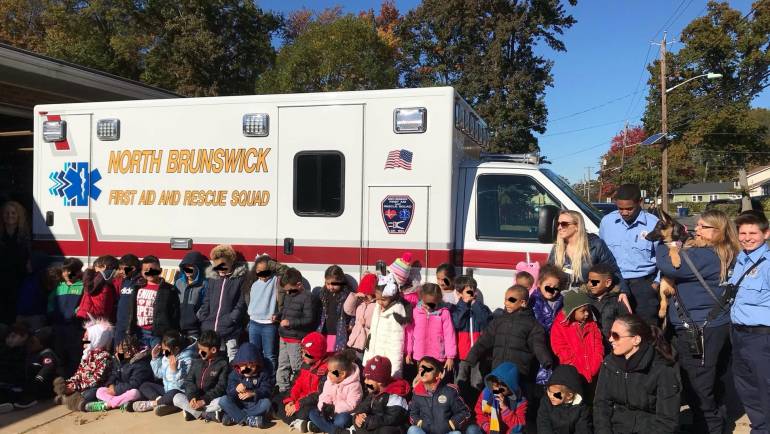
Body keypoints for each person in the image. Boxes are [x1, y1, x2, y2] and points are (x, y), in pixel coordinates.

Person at [655, 209, 738, 434]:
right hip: (715, 325)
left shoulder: (705, 256)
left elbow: (669, 265)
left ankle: (708, 427)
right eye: (697, 225)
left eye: (703, 227)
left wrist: (664, 240)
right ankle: (714, 421)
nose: (696, 230)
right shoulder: (725, 252)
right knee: (713, 379)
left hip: (698, 328)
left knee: (698, 383)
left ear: (719, 231)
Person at [593, 314, 681, 434]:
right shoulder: (609, 364)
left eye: (616, 335)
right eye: (610, 334)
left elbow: (667, 421)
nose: (610, 339)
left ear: (636, 340)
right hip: (616, 428)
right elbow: (601, 405)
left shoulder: (661, 369)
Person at [730, 210, 770, 433]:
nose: (746, 237)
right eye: (742, 232)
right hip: (739, 335)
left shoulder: (768, 263)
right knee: (747, 390)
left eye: (752, 232)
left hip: (762, 338)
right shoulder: (742, 259)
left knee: (766, 391)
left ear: (766, 233)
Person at [599, 184, 658, 324]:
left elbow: (664, 256)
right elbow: (601, 254)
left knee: (646, 329)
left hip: (644, 286)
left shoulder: (654, 224)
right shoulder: (607, 222)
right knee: (615, 328)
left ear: (640, 202)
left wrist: (656, 283)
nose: (625, 212)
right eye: (620, 209)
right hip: (615, 284)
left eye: (629, 208)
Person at [465, 285, 553, 380]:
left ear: (523, 303)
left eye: (511, 300)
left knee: (514, 394)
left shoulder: (532, 324)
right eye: (505, 299)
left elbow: (538, 345)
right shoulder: (499, 321)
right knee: (495, 393)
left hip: (518, 374)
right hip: (497, 371)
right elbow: (484, 340)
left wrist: (546, 361)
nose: (506, 303)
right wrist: (472, 356)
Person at [549, 210, 625, 301]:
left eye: (564, 224)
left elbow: (614, 272)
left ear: (577, 226)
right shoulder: (557, 248)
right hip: (561, 301)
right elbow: (548, 276)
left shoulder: (596, 245)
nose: (559, 227)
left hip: (589, 300)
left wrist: (623, 292)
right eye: (558, 224)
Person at [198, 244, 248, 361]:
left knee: (232, 352)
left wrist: (232, 318)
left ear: (231, 263)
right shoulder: (213, 279)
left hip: (230, 326)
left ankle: (232, 377)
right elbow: (207, 300)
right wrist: (204, 317)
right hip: (211, 325)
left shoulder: (239, 280)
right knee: (215, 355)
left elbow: (241, 302)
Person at [52, 317, 114, 411]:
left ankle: (79, 403)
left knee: (88, 394)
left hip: (95, 387)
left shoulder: (104, 357)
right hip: (82, 386)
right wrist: (71, 383)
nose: (83, 339)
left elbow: (95, 380)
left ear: (96, 339)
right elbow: (79, 373)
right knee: (64, 385)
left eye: (86, 338)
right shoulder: (87, 355)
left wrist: (76, 387)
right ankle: (69, 397)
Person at [408, 356, 478, 434]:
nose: (423, 371)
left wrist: (451, 424)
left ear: (439, 375)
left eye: (428, 369)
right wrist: (420, 423)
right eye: (421, 369)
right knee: (413, 430)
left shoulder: (450, 391)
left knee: (456, 433)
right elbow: (413, 414)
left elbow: (465, 412)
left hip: (446, 431)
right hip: (426, 431)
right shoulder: (417, 393)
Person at [133, 330, 196, 415]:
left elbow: (182, 385)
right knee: (145, 385)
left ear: (176, 349)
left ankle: (153, 404)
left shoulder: (187, 360)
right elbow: (159, 374)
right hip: (167, 390)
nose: (163, 352)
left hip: (180, 392)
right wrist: (155, 359)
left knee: (173, 393)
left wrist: (174, 371)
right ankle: (164, 402)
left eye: (165, 350)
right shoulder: (167, 356)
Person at [276, 267, 319, 393]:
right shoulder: (290, 295)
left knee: (297, 366)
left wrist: (290, 323)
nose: (288, 293)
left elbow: (309, 320)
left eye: (289, 290)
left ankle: (300, 389)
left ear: (299, 285)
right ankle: (282, 388)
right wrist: (278, 316)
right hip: (284, 336)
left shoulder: (308, 298)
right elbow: (285, 310)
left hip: (295, 338)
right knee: (283, 364)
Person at [86, 334, 153, 412]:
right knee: (100, 391)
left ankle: (107, 405)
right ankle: (120, 403)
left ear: (133, 349)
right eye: (119, 349)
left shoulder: (141, 363)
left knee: (134, 393)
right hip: (120, 392)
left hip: (135, 391)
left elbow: (135, 384)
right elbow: (113, 374)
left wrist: (116, 390)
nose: (119, 352)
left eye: (123, 349)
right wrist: (110, 384)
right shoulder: (120, 360)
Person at [172, 329, 229, 420]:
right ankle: (206, 414)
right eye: (199, 349)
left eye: (202, 350)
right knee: (176, 398)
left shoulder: (223, 364)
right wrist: (192, 397)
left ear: (213, 350)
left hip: (211, 399)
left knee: (221, 402)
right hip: (196, 398)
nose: (199, 352)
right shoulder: (197, 361)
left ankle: (195, 412)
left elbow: (221, 387)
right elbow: (189, 381)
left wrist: (204, 401)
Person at [549, 290, 604, 384]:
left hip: (594, 370)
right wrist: (573, 366)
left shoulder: (591, 323)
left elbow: (598, 343)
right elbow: (560, 348)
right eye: (583, 311)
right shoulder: (560, 325)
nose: (587, 313)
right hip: (574, 373)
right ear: (572, 311)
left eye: (588, 310)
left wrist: (597, 361)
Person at [451, 275, 492, 401]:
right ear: (459, 293)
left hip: (478, 354)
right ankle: (460, 406)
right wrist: (464, 304)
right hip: (462, 354)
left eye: (473, 290)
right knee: (460, 381)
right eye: (468, 291)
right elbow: (456, 323)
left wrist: (475, 305)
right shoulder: (456, 309)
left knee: (477, 382)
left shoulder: (481, 308)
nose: (471, 294)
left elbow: (486, 322)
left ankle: (475, 408)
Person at [0, 324, 57, 411]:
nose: (9, 340)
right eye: (7, 337)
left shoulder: (44, 352)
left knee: (33, 372)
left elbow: (48, 367)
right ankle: (5, 402)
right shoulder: (23, 352)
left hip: (42, 387)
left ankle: (29, 399)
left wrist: (38, 379)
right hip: (24, 385)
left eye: (13, 336)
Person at [217, 342, 274, 427]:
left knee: (266, 403)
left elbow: (266, 390)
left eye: (252, 366)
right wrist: (236, 389)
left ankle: (235, 417)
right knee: (223, 400)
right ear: (239, 365)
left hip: (254, 405)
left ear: (257, 364)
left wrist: (253, 393)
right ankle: (249, 420)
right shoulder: (234, 374)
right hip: (239, 405)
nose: (248, 369)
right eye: (244, 365)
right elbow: (229, 392)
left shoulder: (262, 373)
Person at [280, 332, 329, 430]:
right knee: (278, 403)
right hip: (300, 400)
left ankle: (300, 421)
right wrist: (290, 401)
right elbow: (296, 384)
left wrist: (298, 405)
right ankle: (299, 422)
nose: (302, 355)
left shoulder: (325, 369)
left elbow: (319, 394)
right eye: (302, 352)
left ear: (316, 354)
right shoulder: (305, 365)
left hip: (312, 403)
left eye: (306, 353)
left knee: (304, 412)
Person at [351, 355, 411, 434]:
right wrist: (359, 415)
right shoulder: (374, 391)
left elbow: (391, 418)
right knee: (356, 420)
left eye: (368, 379)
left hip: (393, 426)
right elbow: (364, 405)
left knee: (386, 431)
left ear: (379, 381)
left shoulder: (395, 394)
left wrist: (369, 421)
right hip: (374, 423)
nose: (365, 381)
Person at [363, 274, 408, 378]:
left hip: (386, 362)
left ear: (392, 297)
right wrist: (367, 359)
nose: (379, 302)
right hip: (373, 357)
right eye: (377, 299)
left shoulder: (397, 311)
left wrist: (395, 370)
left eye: (383, 299)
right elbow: (372, 335)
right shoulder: (377, 307)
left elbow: (397, 342)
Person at [130, 256, 180, 348]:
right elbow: (131, 310)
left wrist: (170, 332)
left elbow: (174, 313)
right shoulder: (137, 287)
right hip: (139, 332)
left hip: (157, 333)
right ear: (141, 271)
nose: (150, 272)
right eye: (146, 270)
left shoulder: (168, 289)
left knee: (157, 359)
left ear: (160, 270)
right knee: (140, 359)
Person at [405, 283, 456, 372]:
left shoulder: (444, 313)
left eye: (432, 304)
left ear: (438, 300)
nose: (428, 307)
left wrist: (450, 356)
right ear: (421, 299)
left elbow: (449, 335)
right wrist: (408, 352)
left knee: (436, 381)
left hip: (437, 357)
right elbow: (410, 333)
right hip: (420, 355)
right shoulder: (416, 312)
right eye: (426, 303)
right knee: (422, 379)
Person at [310, 349, 362, 433]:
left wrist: (334, 409)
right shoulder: (330, 381)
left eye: (331, 372)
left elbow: (351, 405)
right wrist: (325, 407)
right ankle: (337, 431)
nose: (328, 374)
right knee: (312, 413)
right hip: (329, 412)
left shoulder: (355, 385)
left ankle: (324, 427)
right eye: (328, 371)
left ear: (342, 374)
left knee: (341, 420)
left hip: (343, 413)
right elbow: (325, 395)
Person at [48, 258, 85, 377]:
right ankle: (60, 380)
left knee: (74, 354)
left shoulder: (82, 286)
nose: (68, 274)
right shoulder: (58, 286)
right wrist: (52, 313)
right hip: (58, 326)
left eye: (71, 271)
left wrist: (76, 313)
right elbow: (50, 303)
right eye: (65, 271)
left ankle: (72, 381)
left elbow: (84, 304)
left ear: (78, 272)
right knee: (59, 354)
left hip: (74, 328)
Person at [244, 254, 280, 370]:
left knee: (269, 355)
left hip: (268, 325)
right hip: (254, 323)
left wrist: (273, 264)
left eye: (265, 271)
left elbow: (286, 271)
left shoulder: (275, 280)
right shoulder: (254, 284)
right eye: (259, 271)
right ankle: (257, 378)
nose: (262, 274)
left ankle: (270, 380)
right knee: (254, 353)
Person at [0, 201, 31, 325]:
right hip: (2, 275)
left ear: (18, 216)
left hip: (20, 276)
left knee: (16, 307)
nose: (10, 215)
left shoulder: (24, 234)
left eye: (13, 213)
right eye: (6, 213)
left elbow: (29, 254)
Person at [537, 364, 592, 434]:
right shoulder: (546, 403)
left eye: (555, 394)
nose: (550, 396)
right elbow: (543, 425)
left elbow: (583, 429)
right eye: (549, 391)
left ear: (569, 395)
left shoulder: (581, 409)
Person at [474, 362, 527, 434]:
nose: (497, 388)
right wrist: (489, 429)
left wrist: (505, 408)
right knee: (472, 430)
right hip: (490, 430)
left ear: (510, 387)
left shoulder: (520, 401)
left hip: (507, 432)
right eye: (495, 383)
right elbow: (480, 413)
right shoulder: (487, 392)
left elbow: (519, 427)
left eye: (501, 386)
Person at [585, 263, 630, 348]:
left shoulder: (617, 301)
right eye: (589, 281)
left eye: (594, 282)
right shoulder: (585, 300)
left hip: (612, 346)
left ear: (608, 283)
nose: (590, 284)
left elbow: (626, 324)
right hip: (590, 346)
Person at [317, 265, 356, 353]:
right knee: (327, 354)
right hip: (326, 330)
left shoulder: (347, 295)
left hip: (340, 331)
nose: (331, 287)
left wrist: (351, 324)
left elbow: (354, 312)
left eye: (334, 284)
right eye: (328, 284)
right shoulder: (323, 294)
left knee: (337, 356)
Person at [174, 251, 208, 340]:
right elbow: (173, 301)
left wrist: (197, 317)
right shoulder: (178, 282)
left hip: (194, 329)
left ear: (198, 268)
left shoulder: (203, 284)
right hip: (178, 327)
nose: (187, 270)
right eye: (185, 267)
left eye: (191, 267)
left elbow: (206, 304)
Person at [345, 273, 378, 360]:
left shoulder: (376, 305)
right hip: (355, 340)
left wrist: (366, 324)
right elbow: (348, 309)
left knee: (363, 363)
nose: (364, 298)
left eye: (366, 296)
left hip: (366, 342)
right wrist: (355, 296)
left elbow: (376, 322)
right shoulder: (360, 304)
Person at [77, 255, 118, 322]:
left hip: (89, 316)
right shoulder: (111, 282)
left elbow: (89, 290)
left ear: (103, 267)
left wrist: (88, 272)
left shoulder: (93, 280)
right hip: (98, 318)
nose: (94, 270)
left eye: (95, 267)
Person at [114, 254, 141, 346]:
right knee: (118, 352)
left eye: (122, 269)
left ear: (132, 268)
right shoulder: (124, 281)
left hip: (133, 326)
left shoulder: (140, 282)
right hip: (120, 324)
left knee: (130, 353)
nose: (120, 271)